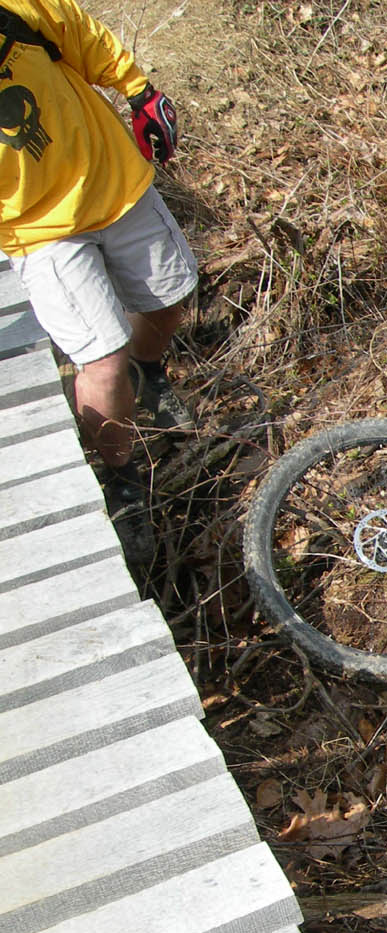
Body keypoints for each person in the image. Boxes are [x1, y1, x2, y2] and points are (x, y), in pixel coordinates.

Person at [0, 0, 197, 569]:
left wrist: (140, 92)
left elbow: (81, 33)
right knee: (101, 362)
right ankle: (123, 479)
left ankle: (153, 377)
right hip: (36, 231)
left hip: (111, 180)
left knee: (170, 301)